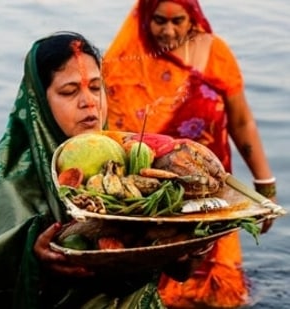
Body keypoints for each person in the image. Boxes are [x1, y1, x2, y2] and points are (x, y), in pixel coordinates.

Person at [0, 31, 207, 309]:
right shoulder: (13, 188)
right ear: (39, 105)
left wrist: (192, 248)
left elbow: (181, 272)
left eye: (96, 88)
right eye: (69, 92)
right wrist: (36, 265)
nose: (89, 102)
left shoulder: (137, 167)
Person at [101, 1, 276, 308]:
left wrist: (265, 185)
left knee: (220, 290)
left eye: (178, 21)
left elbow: (241, 120)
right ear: (144, 17)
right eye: (158, 21)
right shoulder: (124, 61)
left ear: (192, 18)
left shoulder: (214, 53)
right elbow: (112, 141)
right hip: (154, 201)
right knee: (158, 290)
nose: (169, 31)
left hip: (213, 194)